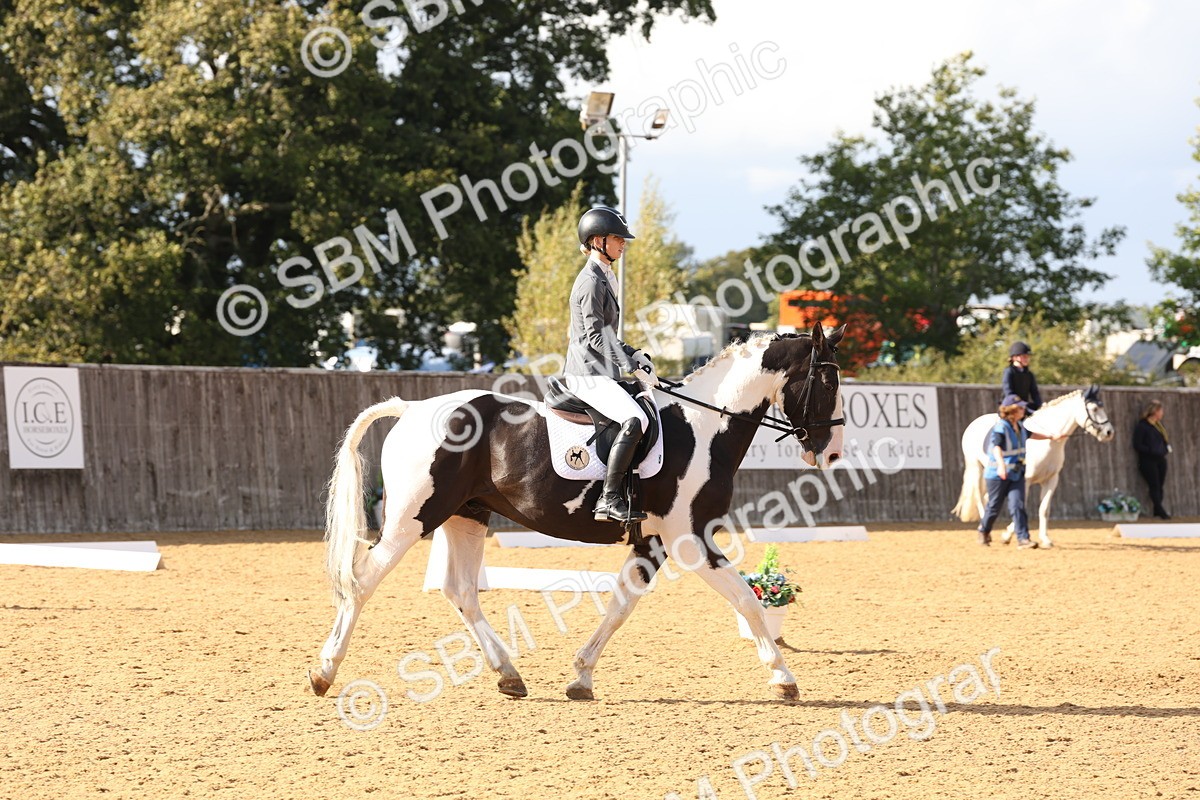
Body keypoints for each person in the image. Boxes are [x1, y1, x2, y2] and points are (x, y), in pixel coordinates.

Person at [564, 206, 658, 523]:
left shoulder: (605, 277)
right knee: (634, 420)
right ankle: (608, 498)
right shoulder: (590, 281)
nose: (623, 244)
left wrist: (636, 354)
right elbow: (593, 336)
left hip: (603, 372)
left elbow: (607, 334)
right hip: (587, 374)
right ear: (597, 240)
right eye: (618, 238)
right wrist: (629, 362)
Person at [977, 394, 1066, 548]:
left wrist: (1051, 437)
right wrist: (1001, 465)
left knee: (1018, 505)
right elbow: (997, 446)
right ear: (1011, 410)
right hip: (998, 475)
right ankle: (984, 530)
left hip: (1017, 473)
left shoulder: (1020, 427)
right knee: (994, 506)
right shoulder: (1001, 427)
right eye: (1020, 408)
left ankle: (1023, 539)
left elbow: (1032, 435)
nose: (1024, 410)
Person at [1133, 400, 1171, 519]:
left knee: (1160, 485)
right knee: (1154, 485)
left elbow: (1163, 441)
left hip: (1160, 459)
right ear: (1154, 411)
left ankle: (1157, 509)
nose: (1162, 413)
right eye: (1160, 411)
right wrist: (1151, 450)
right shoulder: (1142, 426)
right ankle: (1160, 510)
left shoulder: (1158, 426)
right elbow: (1137, 444)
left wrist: (1164, 449)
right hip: (1148, 460)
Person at [1001, 341, 1042, 412]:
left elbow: (1034, 392)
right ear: (1015, 357)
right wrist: (1022, 403)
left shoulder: (1029, 374)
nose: (1027, 359)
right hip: (1010, 405)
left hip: (1023, 406)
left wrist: (1039, 405)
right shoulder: (1009, 372)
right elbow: (1009, 393)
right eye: (1024, 356)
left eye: (1027, 357)